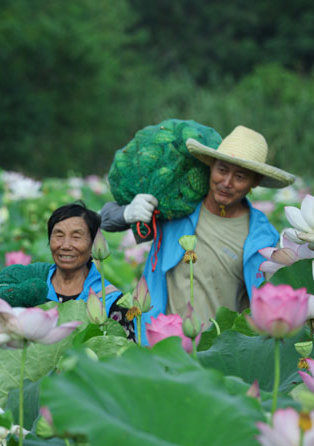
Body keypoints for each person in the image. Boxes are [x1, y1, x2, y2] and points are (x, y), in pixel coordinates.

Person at [100, 125, 296, 338]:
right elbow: (102, 221)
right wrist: (127, 213)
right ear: (211, 167)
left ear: (254, 182)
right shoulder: (176, 209)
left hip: (219, 349)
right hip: (161, 343)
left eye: (240, 177)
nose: (226, 183)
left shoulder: (264, 238)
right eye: (222, 170)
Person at [0, 202, 131, 336]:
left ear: (92, 245)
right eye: (58, 236)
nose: (65, 245)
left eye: (76, 237)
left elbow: (125, 348)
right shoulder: (34, 279)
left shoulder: (111, 300)